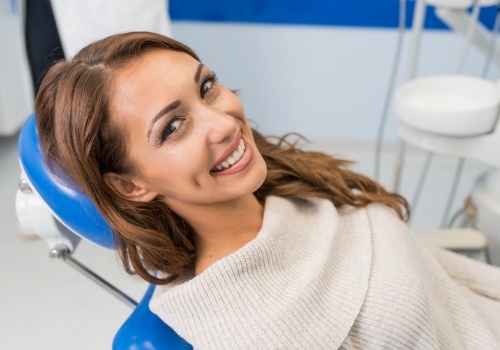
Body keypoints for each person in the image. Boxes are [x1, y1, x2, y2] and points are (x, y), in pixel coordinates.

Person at [35, 32, 500, 349]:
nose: (225, 122)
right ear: (131, 185)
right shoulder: (251, 331)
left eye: (208, 86)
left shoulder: (287, 182)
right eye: (174, 126)